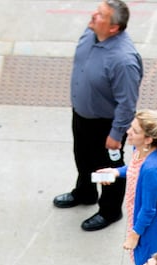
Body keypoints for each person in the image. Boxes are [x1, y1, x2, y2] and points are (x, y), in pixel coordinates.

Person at [52, 0, 141, 232]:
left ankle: (110, 211)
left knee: (106, 170)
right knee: (82, 157)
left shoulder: (123, 61)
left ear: (113, 28)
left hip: (106, 125)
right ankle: (85, 192)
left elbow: (127, 102)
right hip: (82, 116)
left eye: (100, 14)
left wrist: (116, 133)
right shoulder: (91, 33)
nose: (93, 15)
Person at [100, 109, 157, 265]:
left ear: (148, 139)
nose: (128, 132)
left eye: (135, 131)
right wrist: (116, 172)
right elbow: (135, 168)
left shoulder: (152, 170)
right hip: (142, 225)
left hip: (151, 236)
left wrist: (134, 236)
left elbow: (148, 210)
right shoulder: (141, 151)